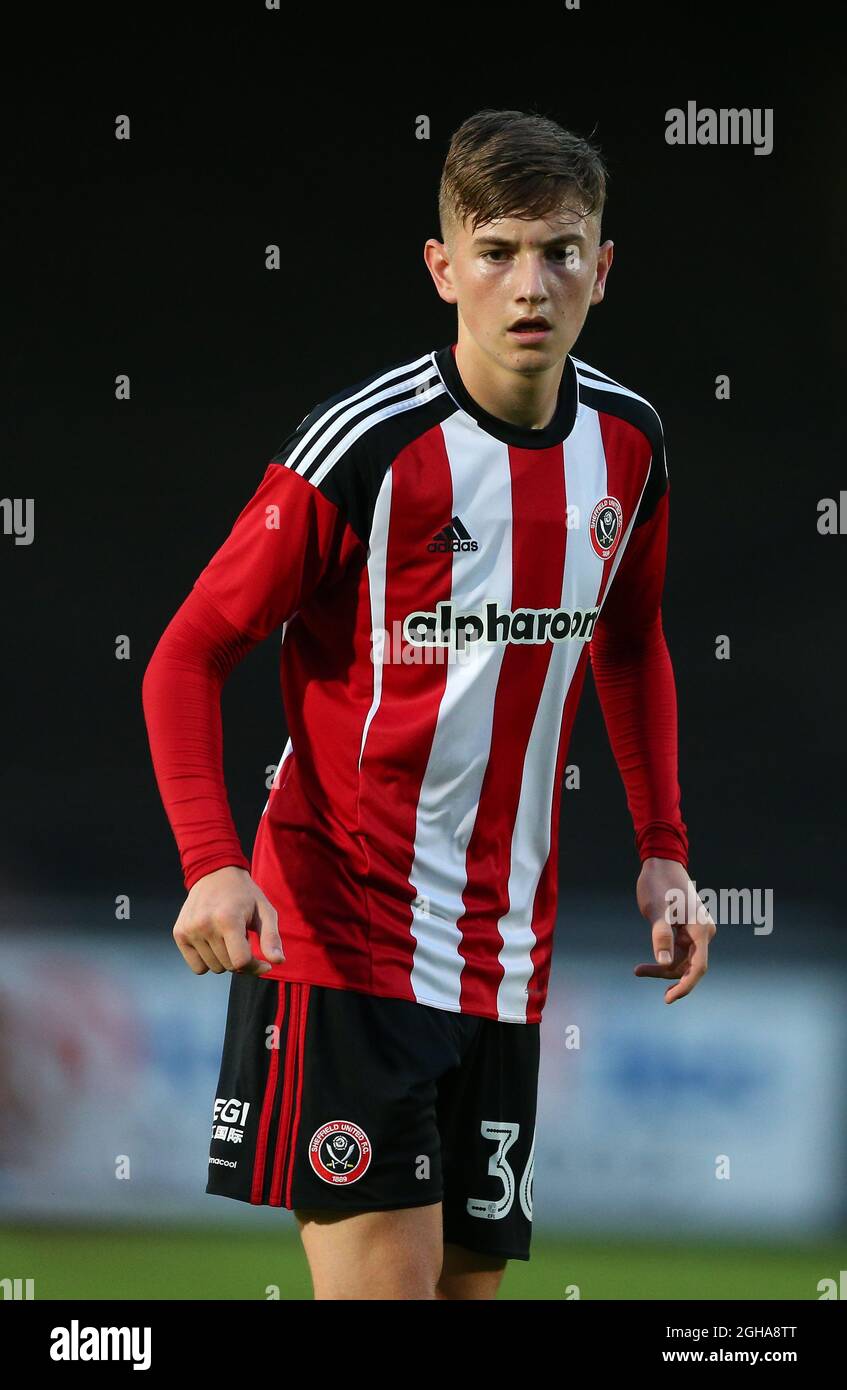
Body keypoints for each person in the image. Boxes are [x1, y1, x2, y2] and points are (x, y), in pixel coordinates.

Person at [142, 107, 716, 1301]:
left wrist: (663, 850)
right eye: (497, 249)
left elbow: (630, 640)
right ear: (441, 267)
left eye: (560, 251)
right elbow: (188, 655)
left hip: (506, 959)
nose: (529, 283)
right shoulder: (367, 445)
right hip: (344, 933)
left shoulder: (629, 445)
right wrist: (209, 859)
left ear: (601, 271)